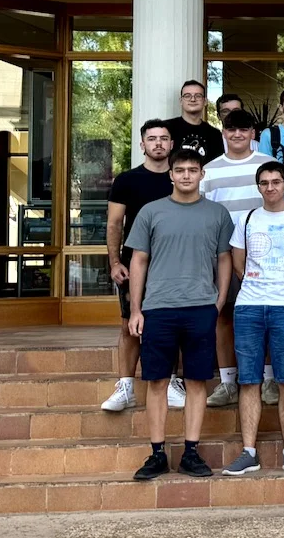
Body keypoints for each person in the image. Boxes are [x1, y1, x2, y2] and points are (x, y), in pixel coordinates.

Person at [127, 149, 235, 481]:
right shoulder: (150, 212)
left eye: (192, 169)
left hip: (200, 308)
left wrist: (217, 302)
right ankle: (157, 453)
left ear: (202, 174)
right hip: (158, 308)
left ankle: (191, 451)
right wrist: (135, 309)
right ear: (170, 175)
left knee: (196, 381)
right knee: (157, 381)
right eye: (180, 170)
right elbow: (138, 261)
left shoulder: (217, 214)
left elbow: (224, 259)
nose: (186, 175)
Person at [222, 161, 284, 476]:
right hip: (249, 305)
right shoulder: (248, 218)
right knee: (249, 379)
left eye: (276, 182)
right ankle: (249, 451)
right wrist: (257, 284)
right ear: (258, 186)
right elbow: (238, 262)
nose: (270, 188)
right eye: (264, 183)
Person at [200, 108, 284, 408]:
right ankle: (227, 382)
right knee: (224, 315)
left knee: (269, 318)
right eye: (231, 129)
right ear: (223, 132)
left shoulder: (268, 165)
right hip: (223, 255)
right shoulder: (209, 170)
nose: (237, 134)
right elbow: (202, 213)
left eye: (243, 129)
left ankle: (270, 379)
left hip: (268, 257)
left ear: (253, 133)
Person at [102, 120, 185, 413]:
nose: (159, 144)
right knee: (128, 324)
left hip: (174, 262)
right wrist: (114, 262)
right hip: (133, 261)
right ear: (142, 145)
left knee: (172, 323)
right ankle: (125, 385)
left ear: (172, 144)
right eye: (152, 139)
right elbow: (114, 224)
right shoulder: (126, 180)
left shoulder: (180, 177)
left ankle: (173, 380)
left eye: (164, 138)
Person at [163, 80, 224, 164]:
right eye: (187, 96)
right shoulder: (166, 128)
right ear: (181, 101)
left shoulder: (214, 134)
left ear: (205, 101)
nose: (192, 99)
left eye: (198, 96)